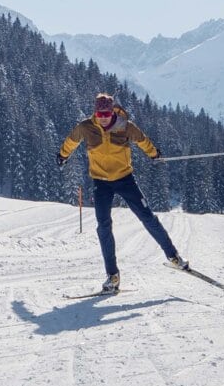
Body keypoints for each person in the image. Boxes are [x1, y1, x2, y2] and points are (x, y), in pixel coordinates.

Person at [58, 93, 189, 294]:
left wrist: (154, 154)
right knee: (103, 227)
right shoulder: (86, 127)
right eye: (99, 113)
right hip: (101, 183)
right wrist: (62, 155)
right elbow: (71, 140)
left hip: (125, 179)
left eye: (106, 113)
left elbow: (143, 140)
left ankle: (173, 257)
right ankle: (113, 276)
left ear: (112, 112)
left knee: (148, 218)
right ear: (95, 112)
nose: (102, 117)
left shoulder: (126, 126)